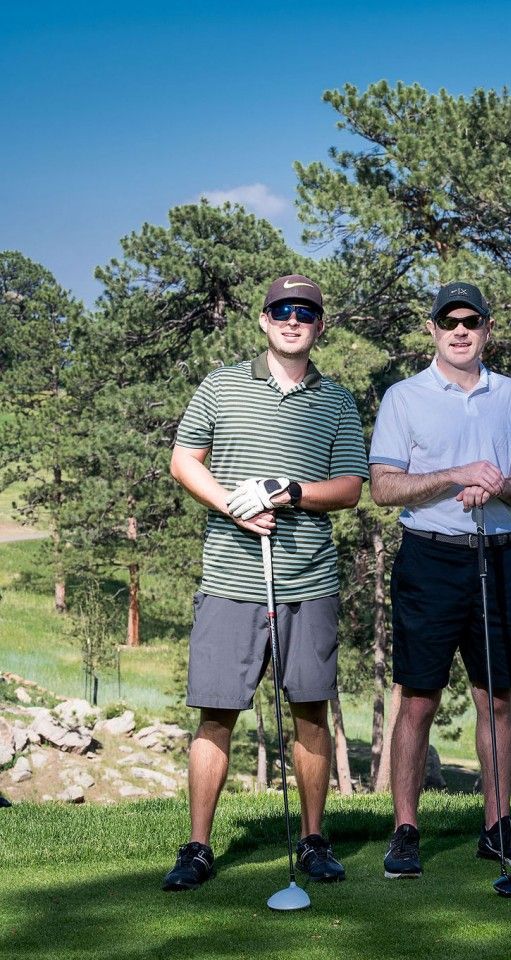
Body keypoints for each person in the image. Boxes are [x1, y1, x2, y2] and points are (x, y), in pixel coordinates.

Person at [164, 274, 368, 890]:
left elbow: (352, 489)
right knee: (217, 713)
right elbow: (183, 459)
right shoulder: (221, 384)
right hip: (230, 577)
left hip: (308, 579)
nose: (292, 320)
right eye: (282, 309)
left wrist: (295, 493)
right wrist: (233, 504)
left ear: (319, 325)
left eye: (305, 311)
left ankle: (312, 840)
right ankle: (198, 847)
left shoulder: (336, 400)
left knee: (310, 711)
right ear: (263, 319)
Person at [369, 281, 511, 878]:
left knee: (496, 696)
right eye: (450, 322)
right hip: (429, 557)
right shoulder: (404, 397)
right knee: (418, 698)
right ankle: (405, 830)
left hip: (495, 556)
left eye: (472, 320)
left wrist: (496, 482)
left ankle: (496, 827)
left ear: (487, 328)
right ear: (434, 331)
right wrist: (456, 475)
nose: (461, 331)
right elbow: (384, 487)